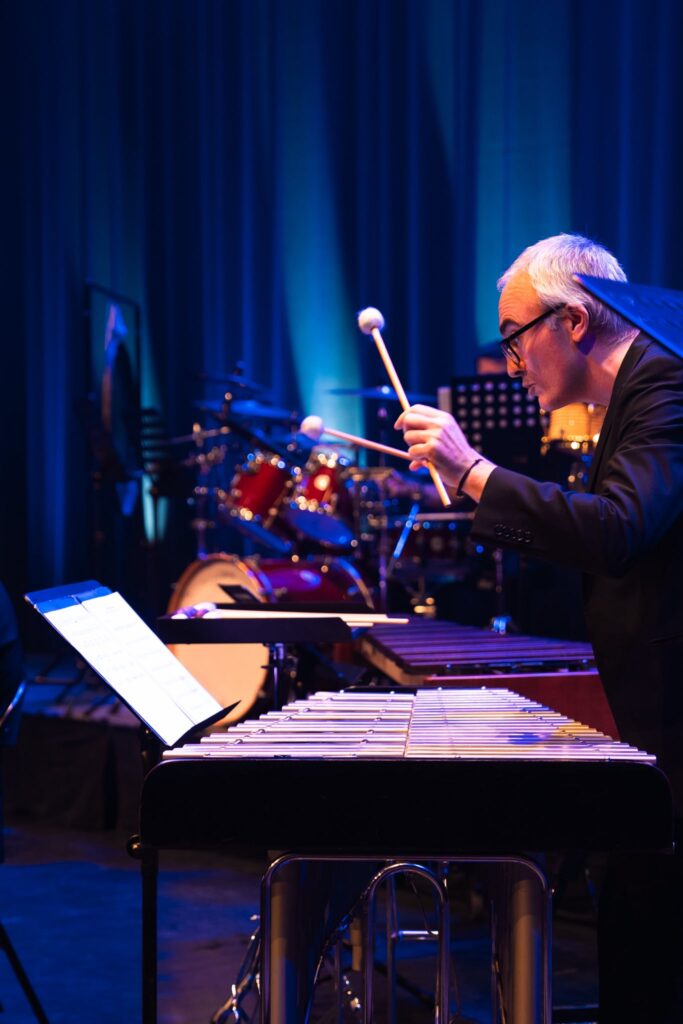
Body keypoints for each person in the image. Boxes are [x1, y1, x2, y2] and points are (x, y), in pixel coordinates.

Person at [396, 232, 683, 1022]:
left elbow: (616, 528)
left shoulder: (666, 384)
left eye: (513, 338)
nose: (510, 364)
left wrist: (472, 471)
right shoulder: (634, 394)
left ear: (573, 321)